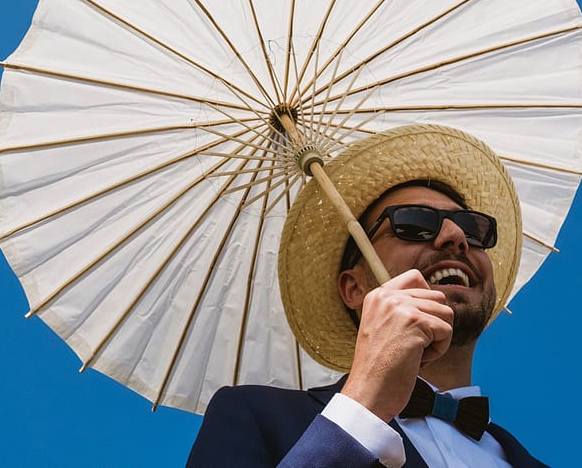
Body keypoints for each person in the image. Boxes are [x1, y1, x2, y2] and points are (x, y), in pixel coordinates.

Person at [187, 125, 549, 467]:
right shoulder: (257, 415)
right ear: (354, 288)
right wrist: (362, 408)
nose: (455, 235)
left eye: (473, 227)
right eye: (415, 223)